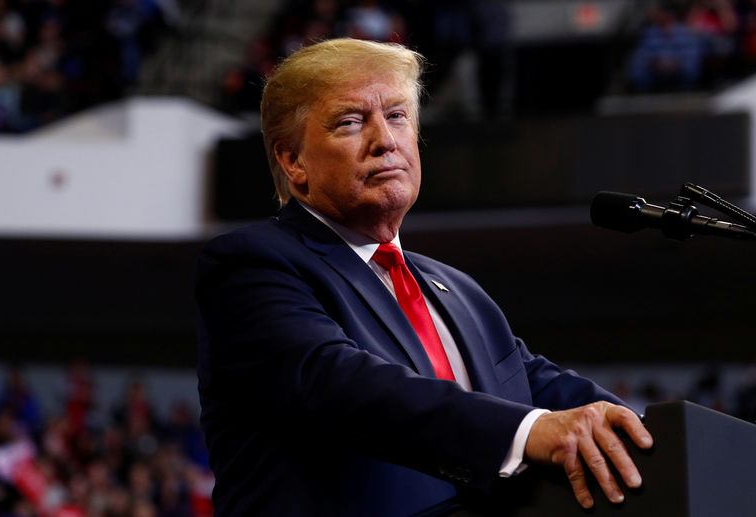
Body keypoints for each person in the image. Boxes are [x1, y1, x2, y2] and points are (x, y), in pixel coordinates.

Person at [195, 38, 653, 517]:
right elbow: (341, 386)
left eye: (397, 116)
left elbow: (543, 388)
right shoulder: (251, 264)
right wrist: (530, 432)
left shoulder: (458, 291)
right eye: (352, 122)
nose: (384, 140)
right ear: (294, 161)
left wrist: (657, 437)